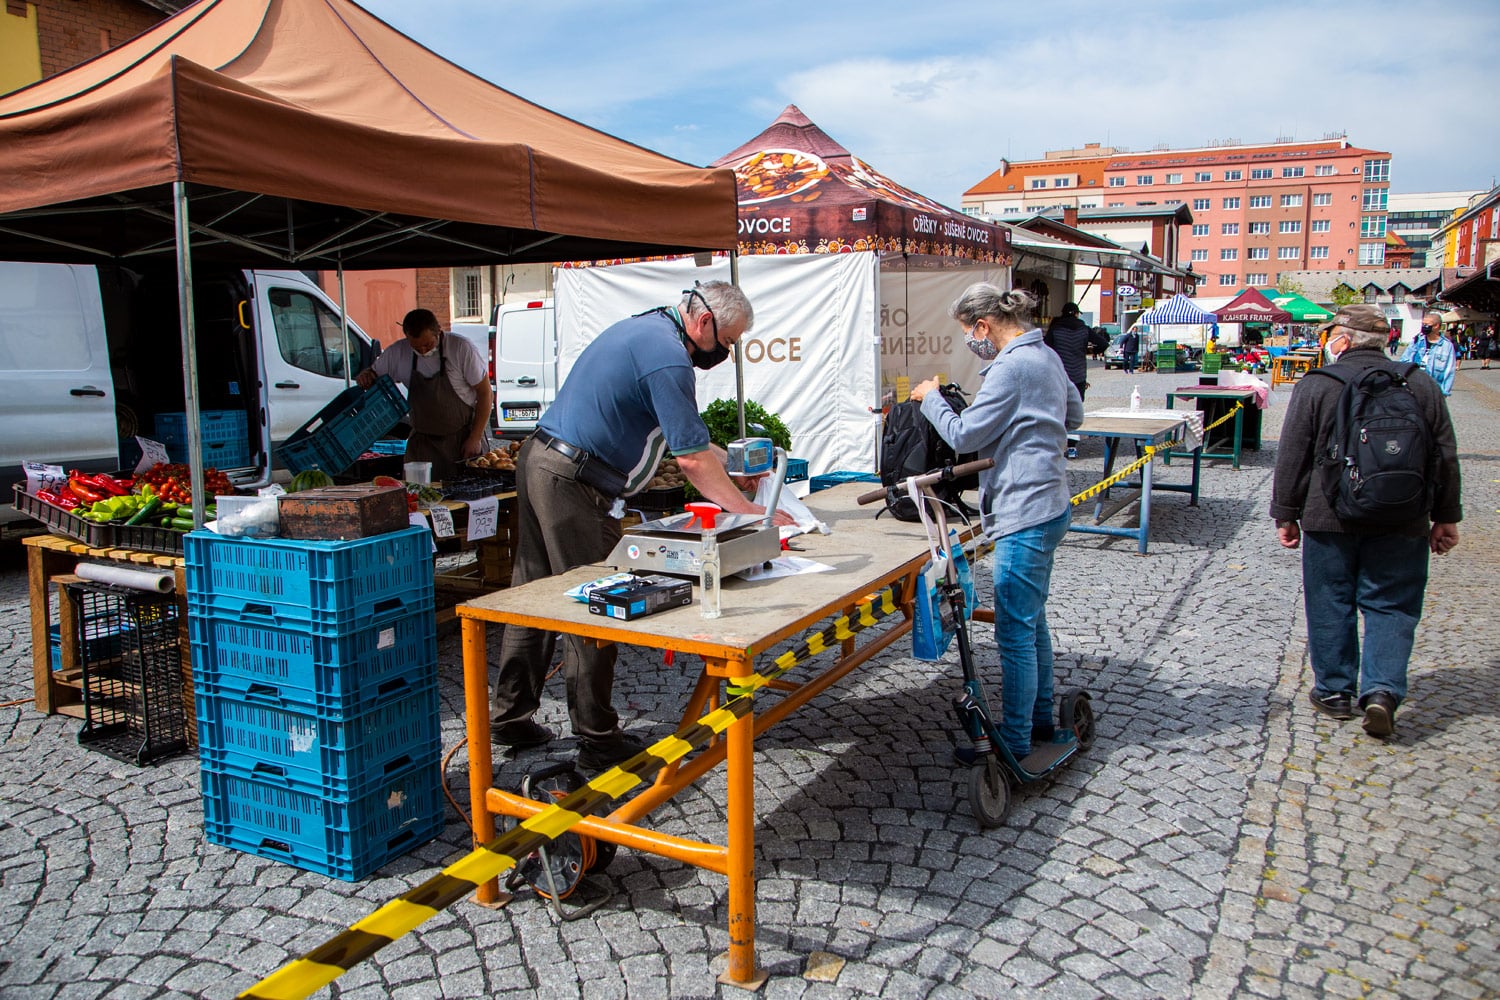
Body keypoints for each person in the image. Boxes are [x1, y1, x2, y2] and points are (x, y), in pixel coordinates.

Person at [489, 281, 793, 772]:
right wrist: (751, 513)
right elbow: (692, 461)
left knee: (535, 594)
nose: (727, 352)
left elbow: (688, 440)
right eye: (729, 341)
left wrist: (731, 464)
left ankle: (510, 716)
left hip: (544, 461)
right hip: (572, 479)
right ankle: (597, 737)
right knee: (595, 603)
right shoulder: (669, 358)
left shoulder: (649, 332)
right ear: (703, 322)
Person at [1271, 304, 1462, 738]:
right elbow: (1444, 454)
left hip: (1330, 514)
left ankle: (1335, 691)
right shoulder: (1420, 383)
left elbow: (1293, 454)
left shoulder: (1318, 385)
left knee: (1330, 599)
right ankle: (1382, 692)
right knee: (1392, 604)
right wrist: (1446, 516)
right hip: (1405, 515)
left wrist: (1286, 513)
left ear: (1341, 339)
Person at [911, 285, 1083, 762]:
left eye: (968, 331)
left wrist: (930, 398)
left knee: (1013, 631)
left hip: (1024, 509)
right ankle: (1043, 720)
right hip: (1050, 502)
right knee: (1032, 623)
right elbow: (1075, 413)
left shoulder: (1011, 365)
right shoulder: (1046, 355)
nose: (970, 340)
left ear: (983, 326)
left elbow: (965, 434)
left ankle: (1018, 739)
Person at [355, 308, 492, 481]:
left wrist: (475, 437)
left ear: (438, 332)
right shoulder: (398, 352)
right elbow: (373, 374)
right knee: (419, 498)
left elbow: (485, 393)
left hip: (462, 440)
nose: (422, 350)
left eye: (427, 344)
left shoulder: (460, 348)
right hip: (423, 445)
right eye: (416, 347)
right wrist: (367, 376)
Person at [1044, 302, 1099, 459]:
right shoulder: (1083, 328)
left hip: (1059, 376)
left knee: (1057, 411)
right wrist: (1088, 350)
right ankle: (1073, 447)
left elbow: (1045, 347)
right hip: (1078, 376)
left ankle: (1056, 446)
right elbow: (1103, 343)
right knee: (1074, 413)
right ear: (1076, 313)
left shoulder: (1056, 327)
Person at [1400, 313, 1457, 396]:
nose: (1424, 327)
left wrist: (1444, 392)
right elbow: (1404, 360)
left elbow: (1449, 371)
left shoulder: (1446, 346)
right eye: (1423, 324)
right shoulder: (1417, 340)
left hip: (1433, 390)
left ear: (1436, 326)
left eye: (1427, 325)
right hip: (1413, 387)